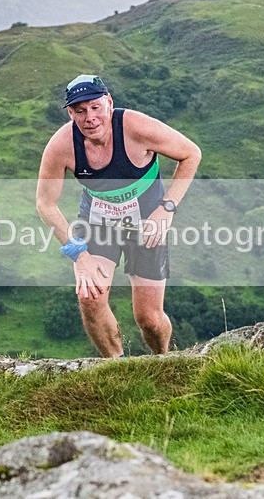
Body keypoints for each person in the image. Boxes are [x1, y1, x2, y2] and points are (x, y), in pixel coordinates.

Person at [36, 74, 201, 357]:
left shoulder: (137, 128)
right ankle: (117, 365)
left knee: (149, 318)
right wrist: (79, 255)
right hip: (99, 223)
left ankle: (163, 360)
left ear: (109, 103)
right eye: (80, 110)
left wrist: (167, 209)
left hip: (147, 222)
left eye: (95, 107)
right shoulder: (62, 145)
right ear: (71, 114)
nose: (90, 117)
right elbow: (45, 204)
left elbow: (191, 154)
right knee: (90, 297)